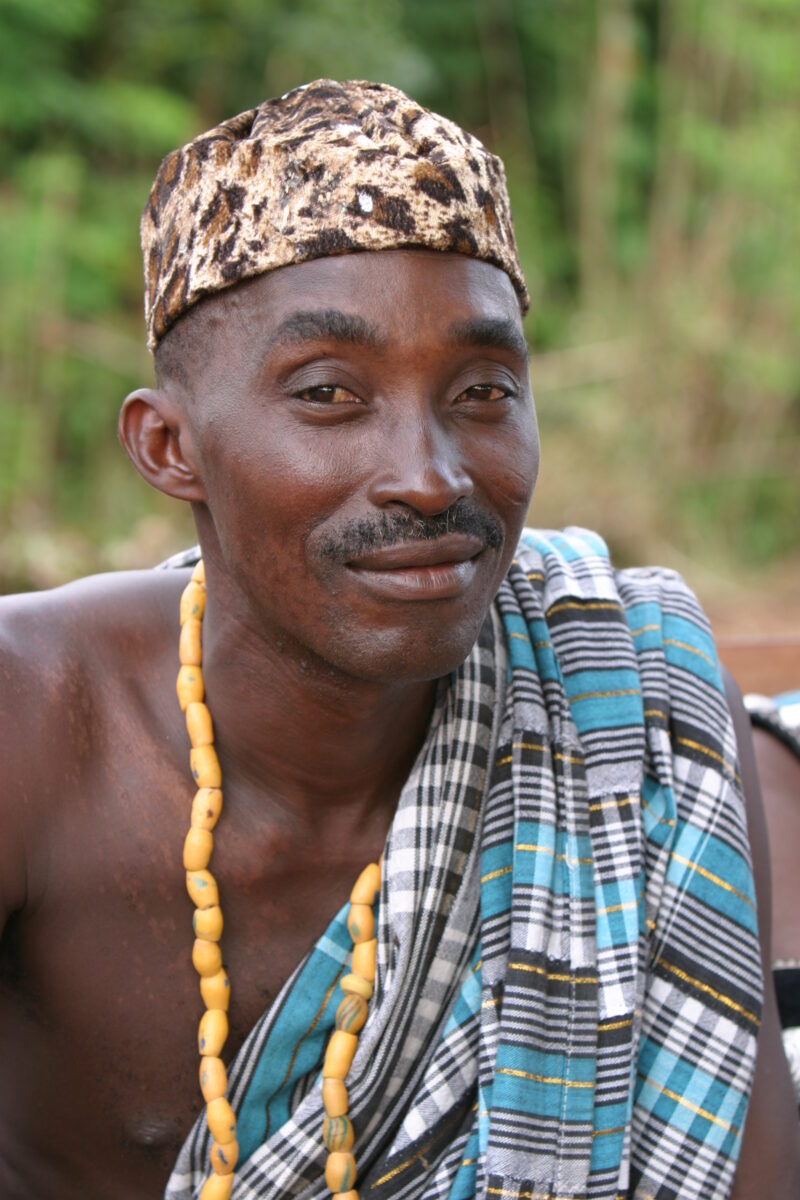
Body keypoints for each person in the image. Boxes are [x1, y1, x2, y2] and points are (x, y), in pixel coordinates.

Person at [0, 79, 797, 1200]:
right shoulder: (32, 721)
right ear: (169, 448)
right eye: (329, 394)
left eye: (482, 391)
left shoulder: (633, 709)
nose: (428, 476)